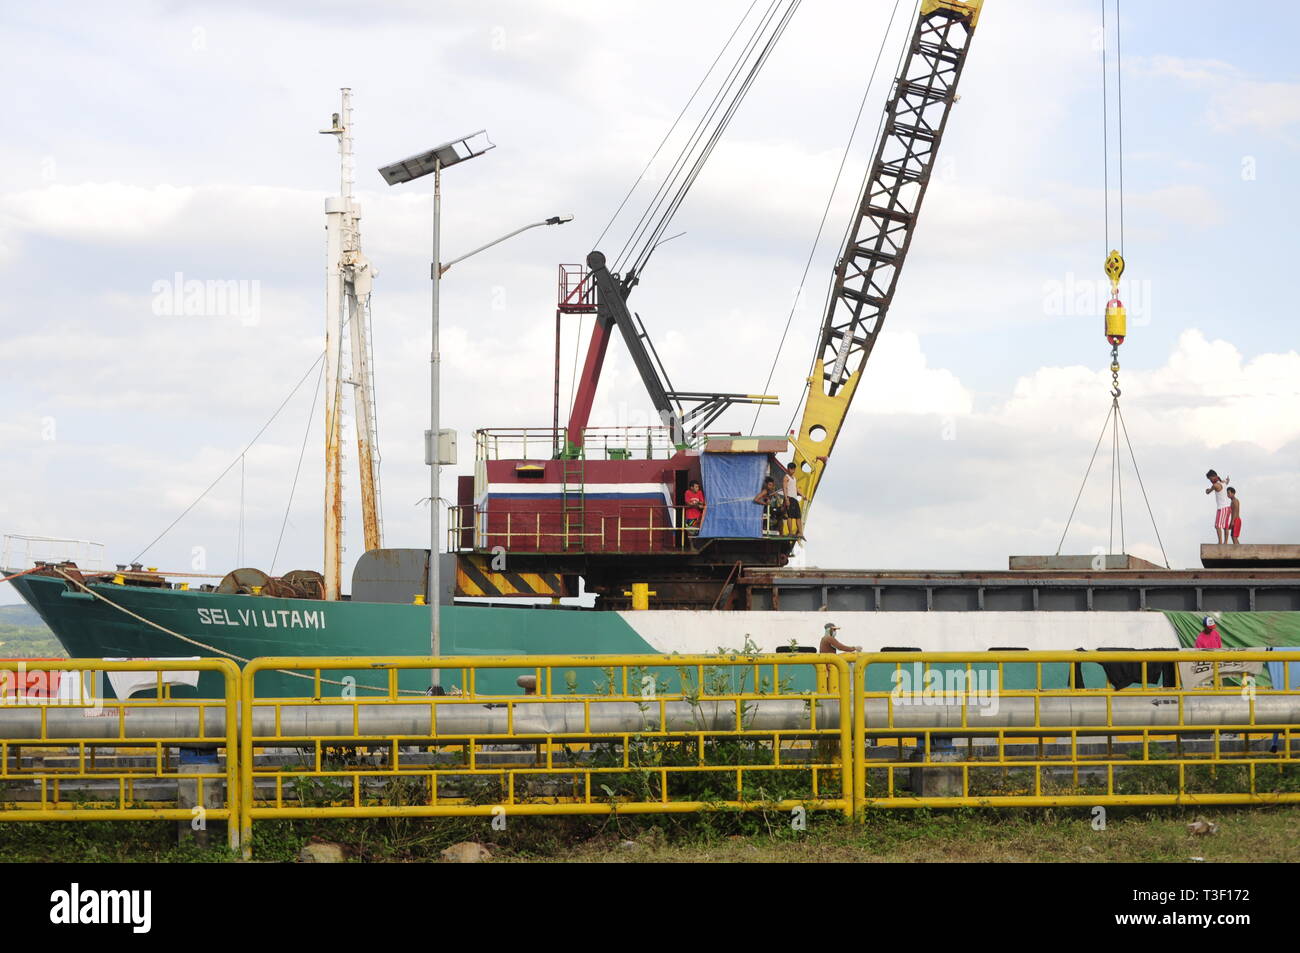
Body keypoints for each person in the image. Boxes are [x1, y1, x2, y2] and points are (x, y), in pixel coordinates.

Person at [1205, 469, 1232, 544]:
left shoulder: (1215, 485)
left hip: (1222, 508)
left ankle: (1220, 542)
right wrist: (1227, 480)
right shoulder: (1223, 483)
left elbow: (1208, 492)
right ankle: (1225, 543)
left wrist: (1207, 490)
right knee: (1225, 526)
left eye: (1210, 479)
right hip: (1227, 508)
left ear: (1214, 477)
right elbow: (1226, 482)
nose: (1210, 480)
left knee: (1217, 526)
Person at [782, 462, 804, 539]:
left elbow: (796, 488)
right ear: (788, 469)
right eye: (791, 469)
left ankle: (800, 533)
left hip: (794, 499)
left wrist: (803, 495)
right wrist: (786, 499)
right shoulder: (786, 477)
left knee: (798, 516)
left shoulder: (794, 478)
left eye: (794, 469)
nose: (793, 471)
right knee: (790, 516)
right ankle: (790, 532)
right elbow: (784, 488)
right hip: (789, 498)